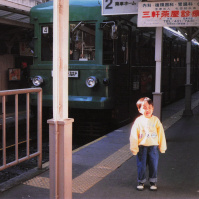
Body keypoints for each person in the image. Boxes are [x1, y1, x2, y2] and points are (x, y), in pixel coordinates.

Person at [129, 97, 167, 191]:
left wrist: (162, 147)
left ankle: (153, 181)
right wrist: (134, 148)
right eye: (144, 107)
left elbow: (161, 133)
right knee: (141, 165)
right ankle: (141, 181)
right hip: (141, 147)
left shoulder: (156, 120)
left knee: (153, 164)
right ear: (139, 109)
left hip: (153, 147)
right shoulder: (138, 121)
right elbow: (133, 135)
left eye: (150, 107)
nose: (147, 110)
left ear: (153, 108)